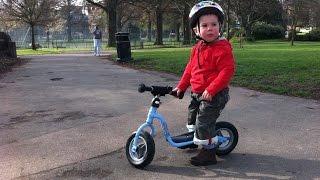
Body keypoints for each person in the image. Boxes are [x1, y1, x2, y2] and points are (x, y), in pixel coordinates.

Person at [172, 1, 235, 166]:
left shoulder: (222, 48)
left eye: (214, 24)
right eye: (205, 25)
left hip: (215, 94)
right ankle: (195, 139)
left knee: (204, 121)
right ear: (196, 30)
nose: (210, 28)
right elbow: (189, 70)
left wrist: (212, 89)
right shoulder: (197, 48)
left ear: (220, 26)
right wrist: (181, 87)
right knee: (192, 117)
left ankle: (208, 153)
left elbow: (226, 72)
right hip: (197, 93)